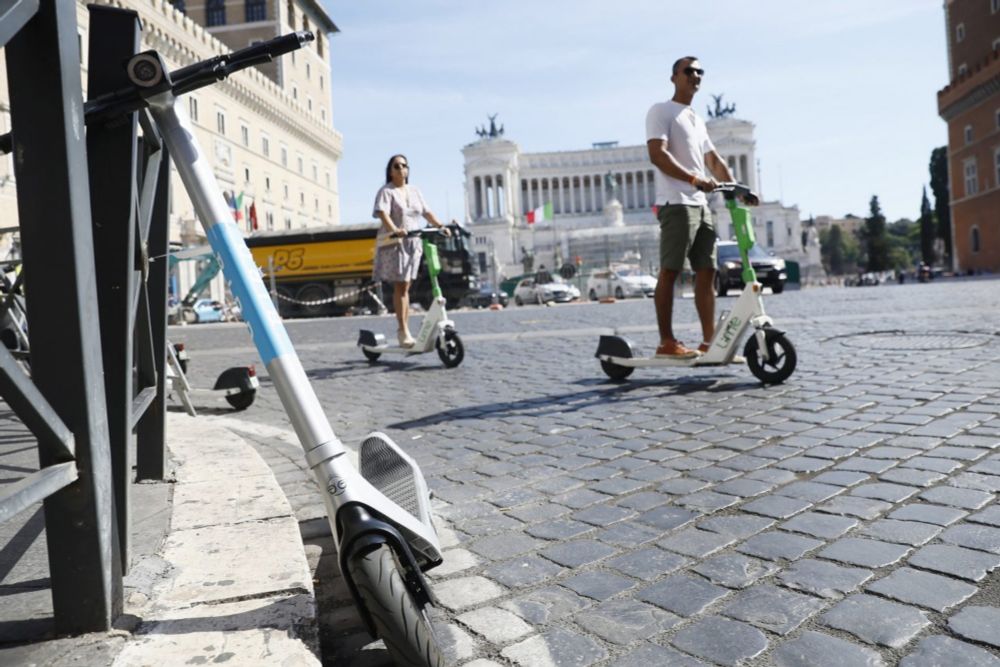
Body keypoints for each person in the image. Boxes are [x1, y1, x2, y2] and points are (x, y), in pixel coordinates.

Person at [646, 56, 736, 358]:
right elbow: (657, 155)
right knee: (670, 272)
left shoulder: (696, 119)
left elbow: (714, 160)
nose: (695, 76)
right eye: (689, 71)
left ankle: (709, 341)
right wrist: (694, 179)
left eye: (700, 72)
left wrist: (735, 188)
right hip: (677, 204)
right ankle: (666, 342)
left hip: (701, 205)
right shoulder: (661, 111)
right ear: (674, 77)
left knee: (707, 271)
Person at [372, 154, 450, 347]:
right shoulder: (386, 191)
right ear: (390, 171)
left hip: (413, 243)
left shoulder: (415, 191)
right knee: (401, 286)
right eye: (396, 166)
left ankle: (405, 329)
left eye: (404, 166)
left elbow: (426, 211)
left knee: (406, 287)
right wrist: (395, 230)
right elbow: (382, 213)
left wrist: (441, 226)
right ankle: (403, 330)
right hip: (395, 243)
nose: (401, 169)